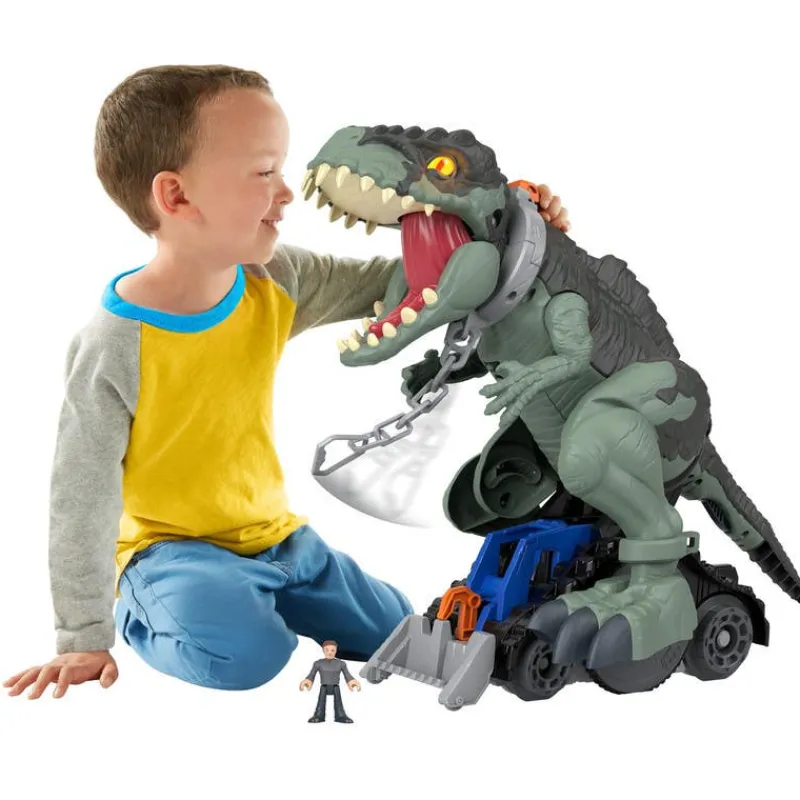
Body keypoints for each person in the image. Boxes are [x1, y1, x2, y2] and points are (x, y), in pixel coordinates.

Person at [4, 64, 570, 699]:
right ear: (177, 196)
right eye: (263, 171)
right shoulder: (113, 345)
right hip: (171, 552)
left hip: (279, 540)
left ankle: (262, 594)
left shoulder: (275, 280)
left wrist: (511, 231)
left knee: (396, 626)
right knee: (249, 655)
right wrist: (83, 636)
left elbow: (407, 283)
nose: (286, 192)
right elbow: (79, 496)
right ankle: (151, 611)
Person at [300, 640, 360, 723]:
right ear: (323, 650)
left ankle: (340, 715)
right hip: (324, 686)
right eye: (327, 650)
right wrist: (308, 680)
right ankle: (319, 715)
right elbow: (312, 674)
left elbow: (347, 674)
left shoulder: (341, 663)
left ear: (336, 651)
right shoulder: (318, 663)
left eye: (332, 650)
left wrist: (351, 681)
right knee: (321, 702)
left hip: (335, 686)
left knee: (338, 702)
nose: (330, 652)